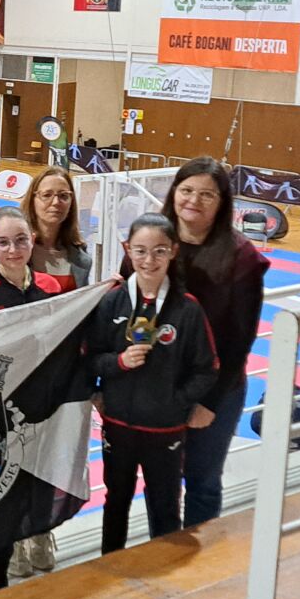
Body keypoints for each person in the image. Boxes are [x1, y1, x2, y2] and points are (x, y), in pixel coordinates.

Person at [90, 214, 218, 553]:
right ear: (127, 250)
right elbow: (90, 358)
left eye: (159, 251)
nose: (149, 260)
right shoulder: (112, 302)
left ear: (173, 251)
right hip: (118, 425)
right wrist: (118, 364)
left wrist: (175, 401)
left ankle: (165, 570)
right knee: (115, 502)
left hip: (165, 430)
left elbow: (207, 369)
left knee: (165, 504)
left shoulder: (187, 309)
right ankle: (109, 566)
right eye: (141, 250)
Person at [155, 157, 269, 528]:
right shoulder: (152, 240)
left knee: (202, 480)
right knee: (161, 480)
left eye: (207, 194)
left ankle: (200, 555)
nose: (194, 200)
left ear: (222, 202)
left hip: (216, 387)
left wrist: (209, 401)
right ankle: (162, 549)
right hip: (159, 385)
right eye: (187, 190)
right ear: (174, 192)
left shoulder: (241, 257)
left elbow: (240, 339)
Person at [0, 208, 66, 594]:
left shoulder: (51, 288)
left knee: (23, 491)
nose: (13, 249)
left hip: (35, 411)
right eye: (3, 242)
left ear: (32, 240)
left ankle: (6, 571)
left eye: (20, 240)